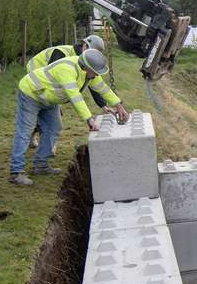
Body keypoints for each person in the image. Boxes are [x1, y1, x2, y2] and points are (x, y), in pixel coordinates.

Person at [9, 48, 128, 186]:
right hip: (31, 93)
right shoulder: (67, 69)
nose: (97, 75)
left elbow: (103, 88)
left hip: (49, 98)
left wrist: (119, 105)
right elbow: (75, 97)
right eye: (96, 72)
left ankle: (40, 165)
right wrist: (89, 120)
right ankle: (16, 172)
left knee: (54, 127)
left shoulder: (90, 74)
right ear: (85, 67)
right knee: (25, 131)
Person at [27, 35, 110, 148]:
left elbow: (91, 81)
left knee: (52, 113)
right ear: (85, 46)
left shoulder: (86, 60)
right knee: (49, 111)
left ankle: (38, 138)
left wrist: (103, 105)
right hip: (37, 75)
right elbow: (53, 79)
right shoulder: (61, 53)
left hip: (52, 79)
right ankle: (44, 142)